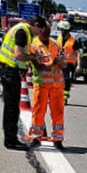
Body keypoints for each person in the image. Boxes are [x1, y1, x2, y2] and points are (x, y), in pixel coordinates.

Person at [0, 17, 42, 149]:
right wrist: (33, 58)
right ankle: (11, 140)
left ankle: (11, 138)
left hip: (9, 70)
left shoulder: (22, 30)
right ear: (36, 25)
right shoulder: (22, 32)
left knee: (12, 107)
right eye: (39, 30)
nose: (38, 34)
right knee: (11, 108)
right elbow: (18, 54)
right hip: (9, 71)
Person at [28, 17, 68, 148]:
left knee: (58, 111)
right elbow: (39, 66)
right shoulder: (34, 46)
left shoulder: (55, 44)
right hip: (42, 85)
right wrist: (54, 62)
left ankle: (58, 138)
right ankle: (36, 137)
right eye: (46, 28)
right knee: (39, 111)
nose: (48, 31)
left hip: (57, 85)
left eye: (50, 29)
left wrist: (61, 62)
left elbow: (64, 65)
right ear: (40, 29)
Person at [56, 21, 79, 105]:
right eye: (60, 29)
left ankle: (64, 97)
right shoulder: (59, 38)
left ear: (67, 30)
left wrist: (78, 64)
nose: (61, 31)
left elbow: (78, 53)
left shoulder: (73, 41)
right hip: (59, 62)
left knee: (66, 80)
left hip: (68, 63)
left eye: (62, 30)